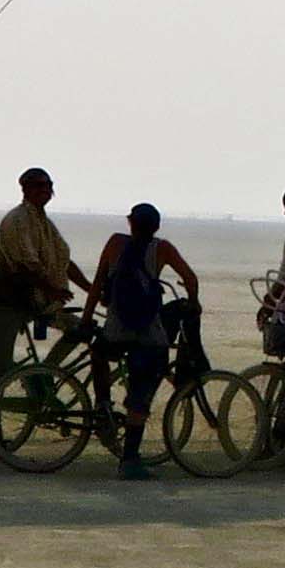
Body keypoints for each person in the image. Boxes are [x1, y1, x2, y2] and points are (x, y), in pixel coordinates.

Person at [94, 203, 195, 477]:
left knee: (99, 353)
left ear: (129, 222)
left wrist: (87, 317)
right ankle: (129, 460)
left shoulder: (115, 243)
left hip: (115, 327)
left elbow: (98, 282)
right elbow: (190, 278)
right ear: (157, 227)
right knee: (143, 388)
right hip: (148, 333)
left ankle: (102, 404)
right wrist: (193, 304)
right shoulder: (162, 248)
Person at [0, 167, 85, 375]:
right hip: (8, 304)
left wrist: (92, 288)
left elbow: (63, 261)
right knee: (3, 370)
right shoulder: (17, 220)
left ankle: (44, 376)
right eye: (39, 185)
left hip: (39, 303)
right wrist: (52, 289)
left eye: (49, 185)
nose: (46, 190)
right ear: (25, 189)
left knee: (80, 329)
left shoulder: (44, 223)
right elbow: (25, 266)